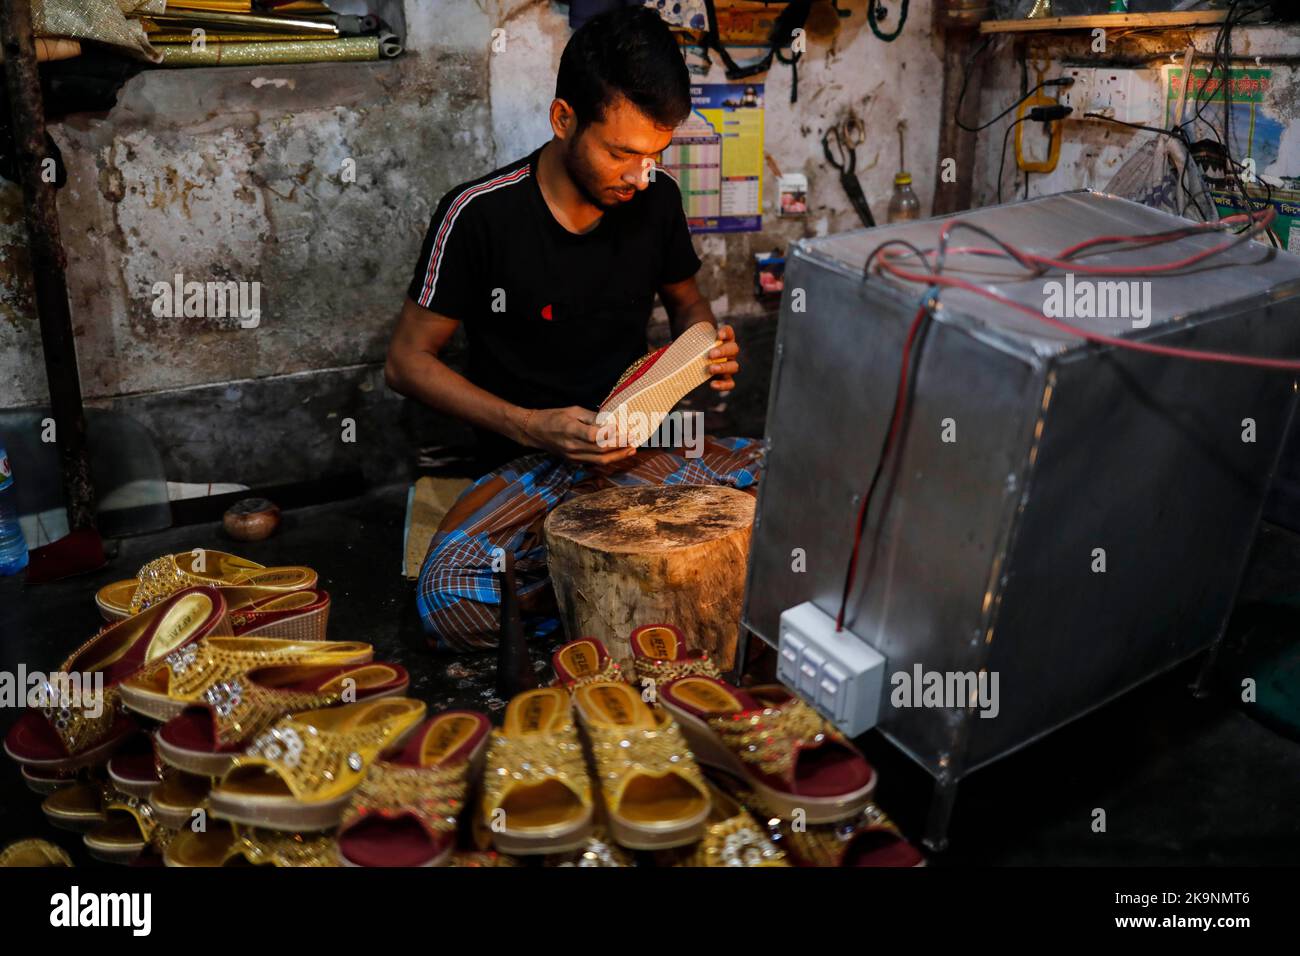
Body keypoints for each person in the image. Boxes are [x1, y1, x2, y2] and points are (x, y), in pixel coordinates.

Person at [385, 7, 763, 650]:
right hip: (531, 464)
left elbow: (689, 306)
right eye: (621, 153)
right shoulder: (479, 215)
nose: (639, 175)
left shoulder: (657, 199)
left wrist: (707, 347)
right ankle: (654, 600)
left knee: (800, 486)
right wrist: (532, 425)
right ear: (564, 120)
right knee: (450, 593)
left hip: (644, 449)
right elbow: (407, 363)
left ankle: (624, 600)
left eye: (654, 155)